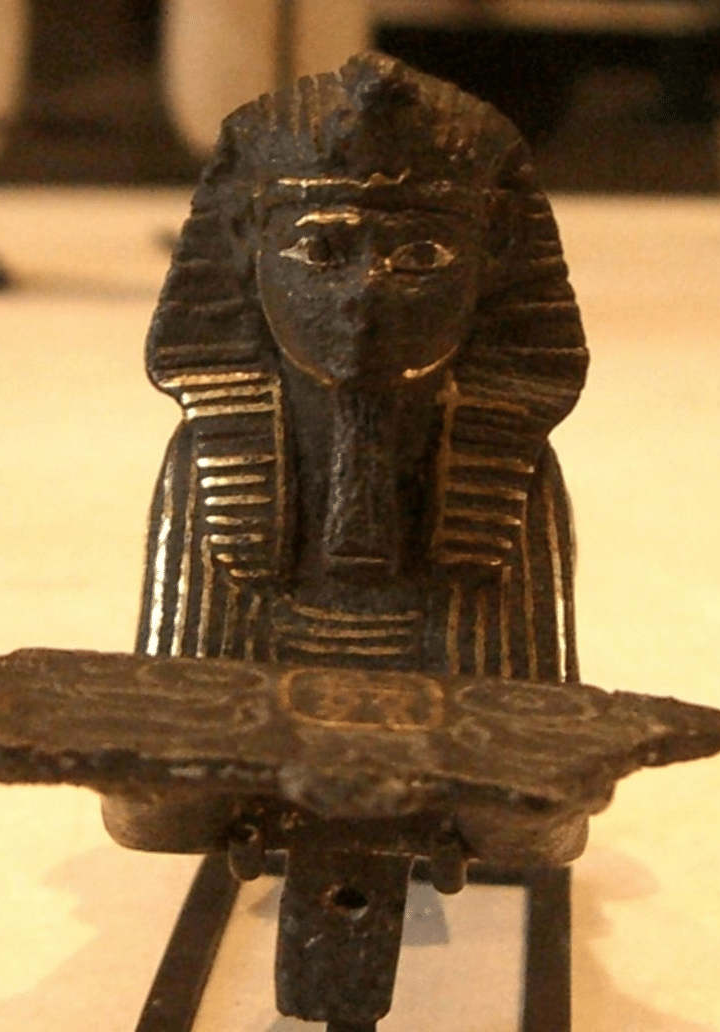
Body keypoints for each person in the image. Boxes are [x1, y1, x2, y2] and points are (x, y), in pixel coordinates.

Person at [137, 52, 588, 686]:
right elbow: (180, 707)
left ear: (495, 253)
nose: (365, 294)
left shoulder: (520, 475)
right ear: (246, 242)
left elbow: (524, 717)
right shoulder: (205, 464)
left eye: (420, 256)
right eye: (321, 250)